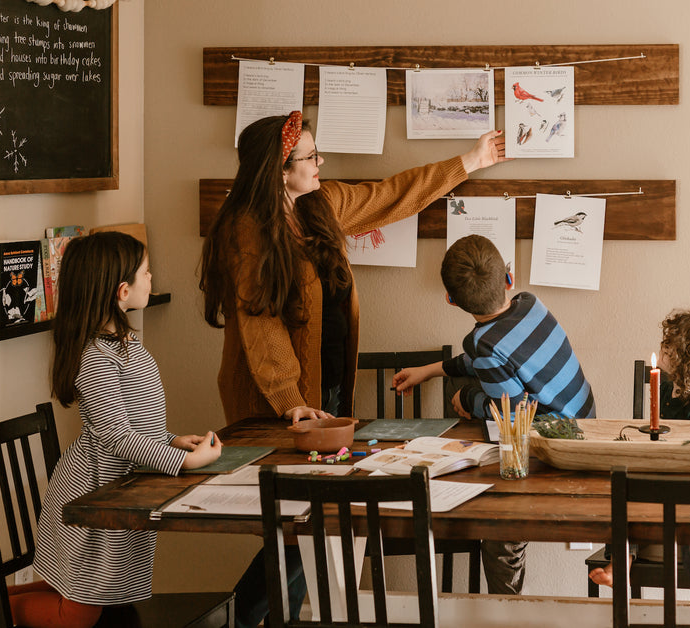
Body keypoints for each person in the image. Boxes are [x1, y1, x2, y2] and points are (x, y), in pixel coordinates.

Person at [199, 113, 508, 627]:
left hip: (331, 389)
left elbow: (390, 194)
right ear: (278, 170)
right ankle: (242, 618)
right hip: (277, 402)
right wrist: (288, 399)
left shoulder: (320, 204)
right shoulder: (246, 232)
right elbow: (261, 326)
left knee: (320, 518)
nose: (320, 164)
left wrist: (469, 162)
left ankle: (263, 617)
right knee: (300, 521)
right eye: (310, 158)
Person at [0, 232, 222, 628]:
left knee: (88, 594)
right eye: (146, 273)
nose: (152, 278)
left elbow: (135, 419)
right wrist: (181, 463)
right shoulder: (97, 357)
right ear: (122, 291)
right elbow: (115, 435)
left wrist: (171, 440)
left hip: (118, 492)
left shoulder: (126, 343)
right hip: (94, 496)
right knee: (79, 612)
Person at [392, 234, 596, 594]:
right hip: (586, 424)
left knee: (499, 530)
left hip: (559, 445)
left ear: (450, 300)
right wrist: (431, 369)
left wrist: (467, 400)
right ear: (509, 278)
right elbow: (490, 359)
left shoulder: (484, 344)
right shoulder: (529, 304)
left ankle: (507, 609)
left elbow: (511, 418)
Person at [586, 308, 690, 600]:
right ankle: (622, 561)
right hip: (664, 481)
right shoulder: (668, 389)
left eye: (670, 347)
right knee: (626, 494)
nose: (661, 350)